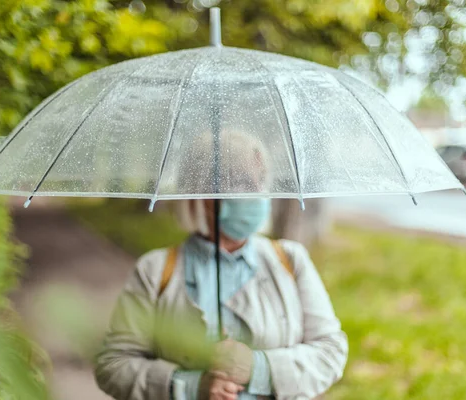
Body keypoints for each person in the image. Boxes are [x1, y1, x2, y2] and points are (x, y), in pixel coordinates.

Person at [94, 130, 348, 400]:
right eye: (241, 182)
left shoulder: (291, 260)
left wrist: (258, 368)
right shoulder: (154, 270)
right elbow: (113, 365)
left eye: (260, 181)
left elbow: (330, 352)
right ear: (200, 192)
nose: (258, 193)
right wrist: (189, 387)